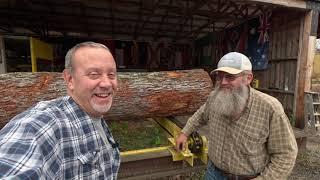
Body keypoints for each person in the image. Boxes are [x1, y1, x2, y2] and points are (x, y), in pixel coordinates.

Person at [0, 42, 120, 179]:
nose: (106, 83)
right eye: (94, 74)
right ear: (70, 79)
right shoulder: (44, 123)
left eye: (111, 75)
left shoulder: (93, 114)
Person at [176, 52, 298, 180]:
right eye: (219, 77)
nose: (222, 82)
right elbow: (201, 115)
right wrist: (185, 133)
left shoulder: (270, 108)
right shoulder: (215, 97)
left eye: (230, 77)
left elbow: (285, 154)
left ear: (248, 78)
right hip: (213, 173)